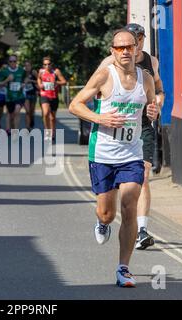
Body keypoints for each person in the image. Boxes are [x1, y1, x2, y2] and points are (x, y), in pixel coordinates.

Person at [69, 29, 159, 287]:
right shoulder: (104, 77)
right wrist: (100, 118)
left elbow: (151, 107)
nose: (125, 52)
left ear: (136, 49)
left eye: (129, 47)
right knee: (108, 213)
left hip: (131, 153)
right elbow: (75, 105)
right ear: (112, 51)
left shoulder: (146, 79)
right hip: (103, 154)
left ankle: (123, 268)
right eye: (119, 48)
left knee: (130, 205)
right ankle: (102, 221)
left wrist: (152, 110)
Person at [97, 23, 165, 250]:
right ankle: (104, 218)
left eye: (138, 40)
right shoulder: (108, 65)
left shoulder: (151, 62)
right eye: (125, 43)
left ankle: (142, 229)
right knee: (113, 194)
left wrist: (156, 104)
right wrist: (102, 116)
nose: (131, 47)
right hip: (113, 131)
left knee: (143, 175)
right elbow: (96, 91)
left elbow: (158, 89)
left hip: (142, 127)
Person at [37, 57, 67, 142]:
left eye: (49, 64)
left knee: (52, 117)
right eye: (45, 64)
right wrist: (40, 85)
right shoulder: (41, 71)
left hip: (53, 96)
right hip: (44, 95)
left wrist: (56, 83)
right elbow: (39, 79)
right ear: (43, 65)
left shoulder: (56, 72)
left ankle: (52, 133)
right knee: (45, 113)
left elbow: (64, 81)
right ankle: (47, 131)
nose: (47, 66)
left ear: (51, 64)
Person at [0, 55, 26, 134]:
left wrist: (24, 84)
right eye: (11, 61)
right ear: (8, 62)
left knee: (17, 111)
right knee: (10, 114)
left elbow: (25, 79)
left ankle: (15, 131)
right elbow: (0, 84)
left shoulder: (21, 70)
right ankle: (8, 129)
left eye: (14, 61)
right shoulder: (5, 71)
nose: (13, 63)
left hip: (19, 96)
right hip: (9, 97)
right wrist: (7, 80)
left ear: (16, 62)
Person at [23, 61, 39, 131]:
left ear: (31, 66)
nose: (27, 67)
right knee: (27, 111)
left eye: (28, 65)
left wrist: (31, 81)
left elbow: (39, 81)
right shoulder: (22, 73)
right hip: (25, 94)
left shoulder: (34, 72)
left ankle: (31, 120)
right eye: (26, 66)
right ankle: (28, 127)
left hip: (33, 94)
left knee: (32, 111)